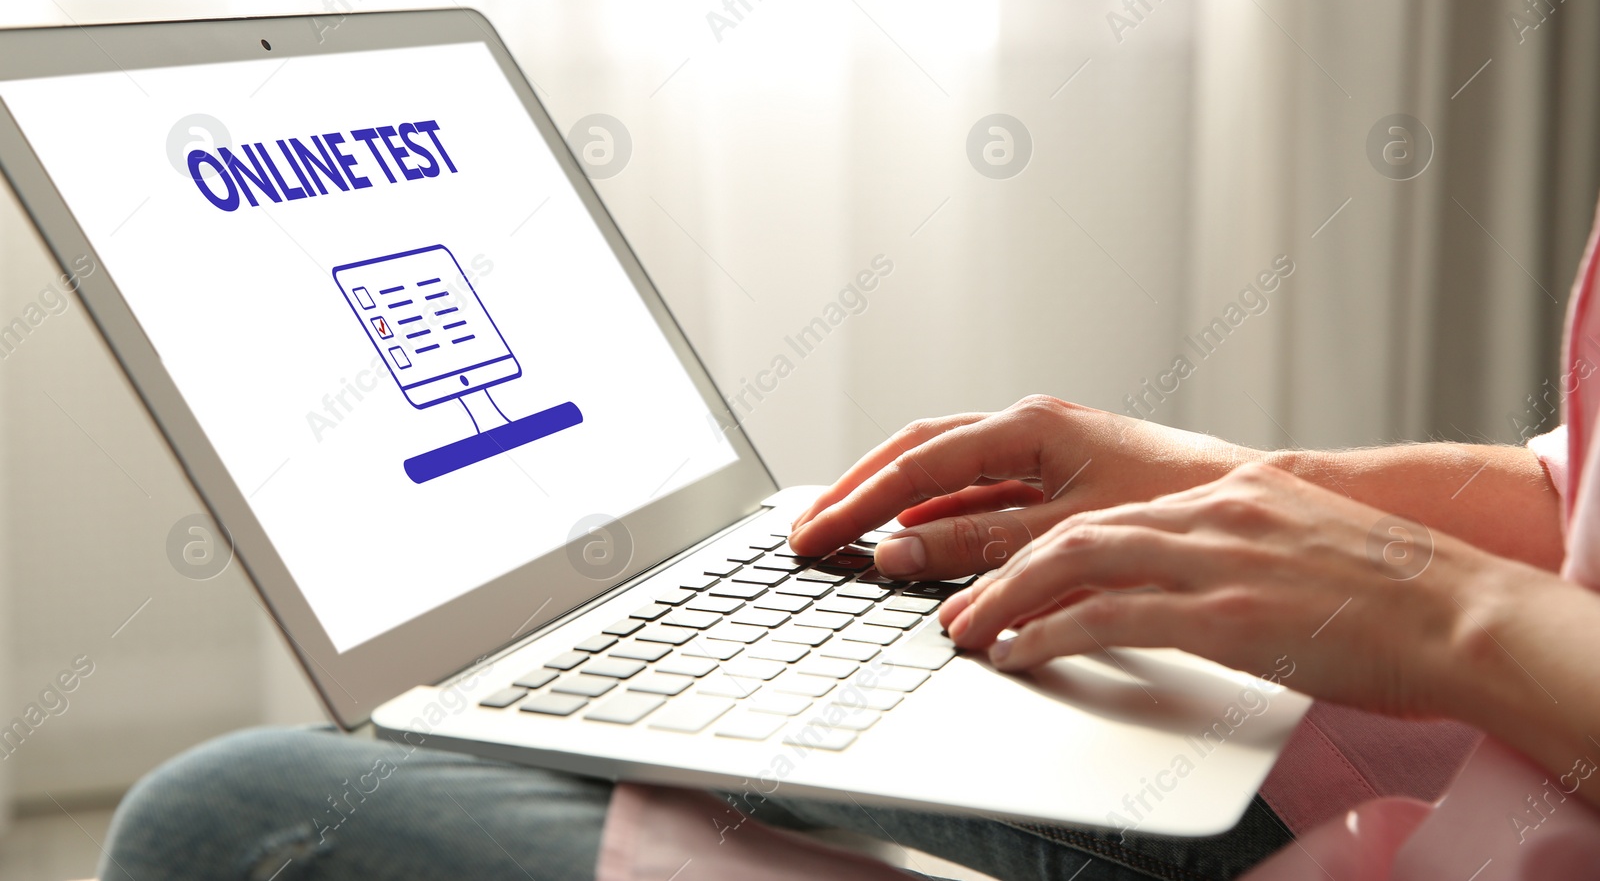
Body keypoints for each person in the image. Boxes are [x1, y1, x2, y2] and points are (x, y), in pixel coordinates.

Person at [100, 215, 1600, 879]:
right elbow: (1578, 484)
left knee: (233, 821)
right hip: (1440, 771)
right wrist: (1240, 486)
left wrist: (1448, 611)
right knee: (571, 688)